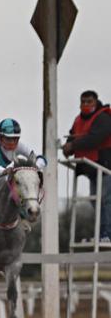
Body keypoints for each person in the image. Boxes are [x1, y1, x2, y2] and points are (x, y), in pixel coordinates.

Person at [63, 90, 111, 242]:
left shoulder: (103, 117)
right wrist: (67, 148)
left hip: (105, 166)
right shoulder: (78, 120)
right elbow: (72, 136)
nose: (85, 105)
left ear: (96, 102)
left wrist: (73, 145)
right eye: (83, 101)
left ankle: (107, 234)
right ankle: (101, 233)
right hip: (91, 168)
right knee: (96, 201)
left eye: (89, 102)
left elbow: (94, 139)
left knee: (105, 200)